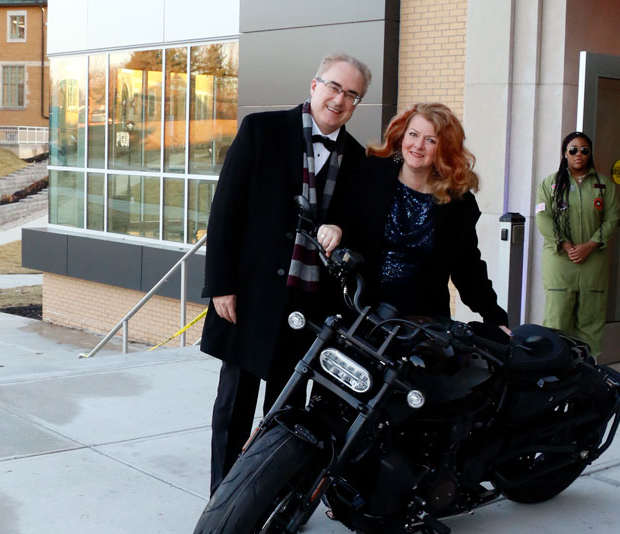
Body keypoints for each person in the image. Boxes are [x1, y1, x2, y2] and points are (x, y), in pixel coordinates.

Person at [200, 52, 372, 494]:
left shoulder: (357, 157)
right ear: (315, 85)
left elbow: (359, 226)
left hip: (311, 305)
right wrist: (221, 285)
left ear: (357, 104)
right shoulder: (261, 129)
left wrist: (344, 229)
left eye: (352, 94)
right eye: (334, 86)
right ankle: (222, 499)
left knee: (289, 408)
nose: (340, 99)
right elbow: (225, 210)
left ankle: (271, 499)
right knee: (235, 404)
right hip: (252, 292)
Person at [340, 102, 509, 332]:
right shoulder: (371, 175)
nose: (418, 145)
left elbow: (469, 269)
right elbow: (343, 221)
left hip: (421, 328)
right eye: (413, 134)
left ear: (444, 148)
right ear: (402, 136)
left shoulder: (458, 204)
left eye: (431, 140)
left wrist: (495, 319)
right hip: (361, 316)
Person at [534, 131, 619, 357]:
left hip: (593, 260)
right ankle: (555, 365)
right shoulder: (550, 184)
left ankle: (587, 368)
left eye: (584, 150)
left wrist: (590, 245)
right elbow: (543, 218)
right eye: (573, 150)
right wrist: (565, 244)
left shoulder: (604, 185)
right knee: (557, 317)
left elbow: (611, 219)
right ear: (565, 154)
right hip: (560, 260)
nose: (578, 154)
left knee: (591, 317)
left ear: (590, 154)